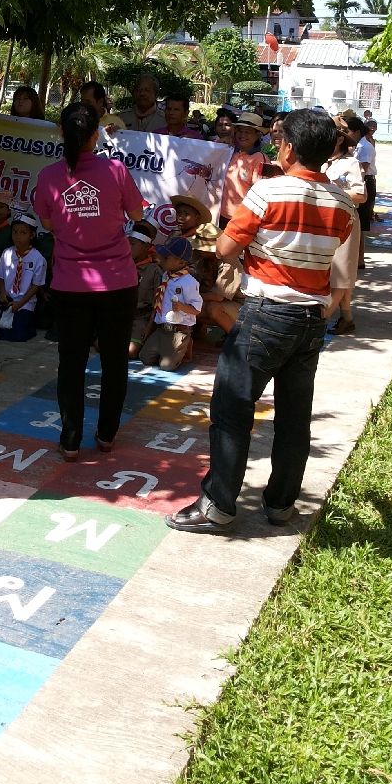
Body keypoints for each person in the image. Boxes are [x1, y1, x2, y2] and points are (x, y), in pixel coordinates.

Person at [167, 108, 355, 533]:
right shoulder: (343, 202)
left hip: (267, 312)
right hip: (311, 321)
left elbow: (226, 249)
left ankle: (218, 505)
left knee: (232, 409)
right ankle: (281, 505)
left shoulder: (267, 191)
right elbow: (332, 244)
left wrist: (249, 247)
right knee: (294, 418)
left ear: (288, 149)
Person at [35, 102, 144, 460]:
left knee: (71, 363)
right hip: (118, 282)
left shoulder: (48, 176)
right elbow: (137, 212)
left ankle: (70, 440)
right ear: (96, 134)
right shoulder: (115, 170)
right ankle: (107, 435)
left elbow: (47, 224)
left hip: (70, 284)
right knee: (115, 361)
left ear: (61, 132)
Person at [321, 125, 366, 336]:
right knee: (331, 271)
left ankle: (320, 322)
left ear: (339, 139)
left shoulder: (351, 163)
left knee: (341, 272)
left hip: (344, 218)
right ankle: (347, 317)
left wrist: (331, 191)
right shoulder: (319, 160)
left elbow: (360, 195)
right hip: (322, 219)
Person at [138, 237, 202, 370]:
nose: (161, 260)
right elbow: (158, 302)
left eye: (166, 258)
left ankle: (185, 345)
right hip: (161, 329)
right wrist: (149, 325)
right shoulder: (165, 277)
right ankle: (167, 350)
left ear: (181, 263)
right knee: (145, 358)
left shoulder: (189, 283)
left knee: (166, 366)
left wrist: (181, 307)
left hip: (178, 331)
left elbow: (197, 309)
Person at [0, 212, 47, 342]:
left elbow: (36, 286)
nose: (18, 237)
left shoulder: (38, 259)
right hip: (6, 300)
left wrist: (20, 303)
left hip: (24, 303)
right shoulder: (7, 253)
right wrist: (2, 293)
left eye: (23, 233)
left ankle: (28, 326)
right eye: (14, 232)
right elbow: (0, 276)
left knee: (16, 334)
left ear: (32, 235)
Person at [219, 112, 266, 226]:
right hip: (221, 215)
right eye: (240, 131)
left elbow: (261, 194)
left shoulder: (260, 159)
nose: (242, 135)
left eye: (248, 132)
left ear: (257, 135)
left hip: (242, 219)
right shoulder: (230, 152)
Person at [343, 116, 376, 269]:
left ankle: (360, 259)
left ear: (357, 132)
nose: (345, 135)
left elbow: (362, 169)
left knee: (360, 223)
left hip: (365, 182)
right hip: (360, 181)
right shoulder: (357, 145)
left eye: (347, 131)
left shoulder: (364, 147)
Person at [128, 220, 160, 356]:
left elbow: (158, 303)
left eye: (133, 244)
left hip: (142, 318)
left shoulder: (154, 271)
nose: (128, 247)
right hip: (122, 315)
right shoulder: (122, 266)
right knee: (99, 345)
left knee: (131, 351)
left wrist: (150, 326)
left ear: (146, 246)